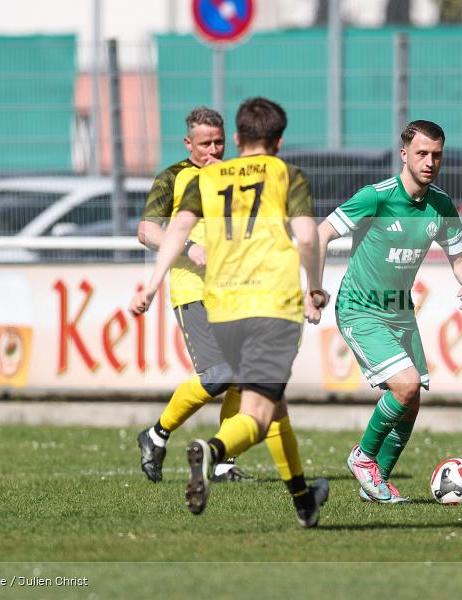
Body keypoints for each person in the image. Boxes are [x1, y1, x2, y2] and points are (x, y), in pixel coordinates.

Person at [130, 97, 330, 527]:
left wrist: (149, 286)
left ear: (235, 139)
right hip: (271, 304)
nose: (215, 150)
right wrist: (314, 288)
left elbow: (177, 228)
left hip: (224, 302)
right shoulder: (286, 174)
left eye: (221, 142)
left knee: (270, 404)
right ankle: (214, 451)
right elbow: (308, 237)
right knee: (256, 405)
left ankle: (300, 499)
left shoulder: (212, 179)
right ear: (279, 140)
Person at [316, 120, 462, 503]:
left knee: (412, 400)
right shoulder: (377, 197)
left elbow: (459, 258)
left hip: (399, 311)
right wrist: (314, 287)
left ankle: (377, 484)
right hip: (359, 308)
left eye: (437, 155)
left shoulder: (441, 205)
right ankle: (363, 457)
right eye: (422, 154)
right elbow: (321, 233)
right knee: (404, 386)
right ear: (404, 155)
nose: (430, 162)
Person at [135, 106, 249, 483]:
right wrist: (187, 248)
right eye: (205, 144)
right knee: (219, 373)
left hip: (233, 289)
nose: (214, 150)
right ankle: (156, 434)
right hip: (193, 290)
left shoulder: (233, 176)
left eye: (219, 142)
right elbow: (146, 231)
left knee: (243, 376)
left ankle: (224, 463)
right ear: (188, 143)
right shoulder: (172, 178)